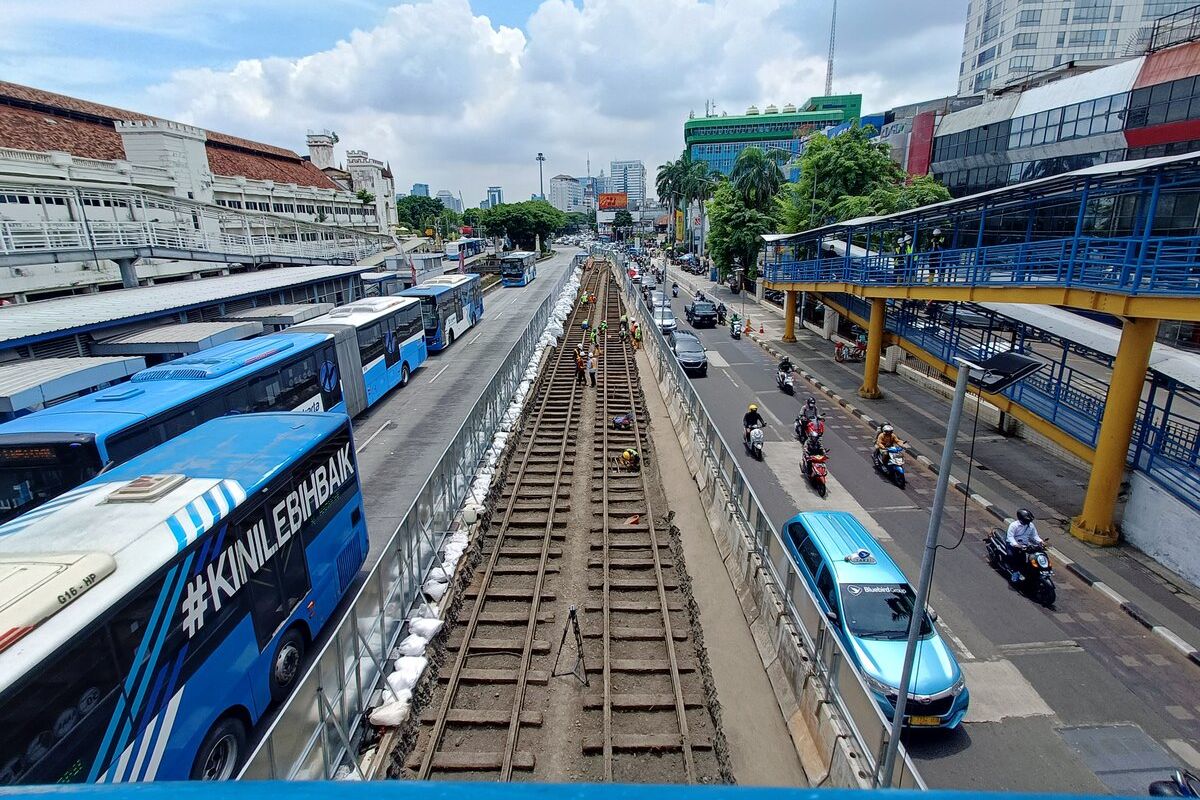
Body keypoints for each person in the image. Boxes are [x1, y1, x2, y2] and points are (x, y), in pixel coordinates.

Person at [1005, 509, 1045, 581]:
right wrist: (1016, 545)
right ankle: (1015, 572)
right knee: (1013, 556)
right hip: (1013, 545)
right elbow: (1010, 537)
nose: (1028, 522)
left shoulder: (1031, 526)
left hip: (1025, 545)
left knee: (1030, 559)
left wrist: (1040, 541)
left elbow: (1035, 536)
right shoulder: (1014, 525)